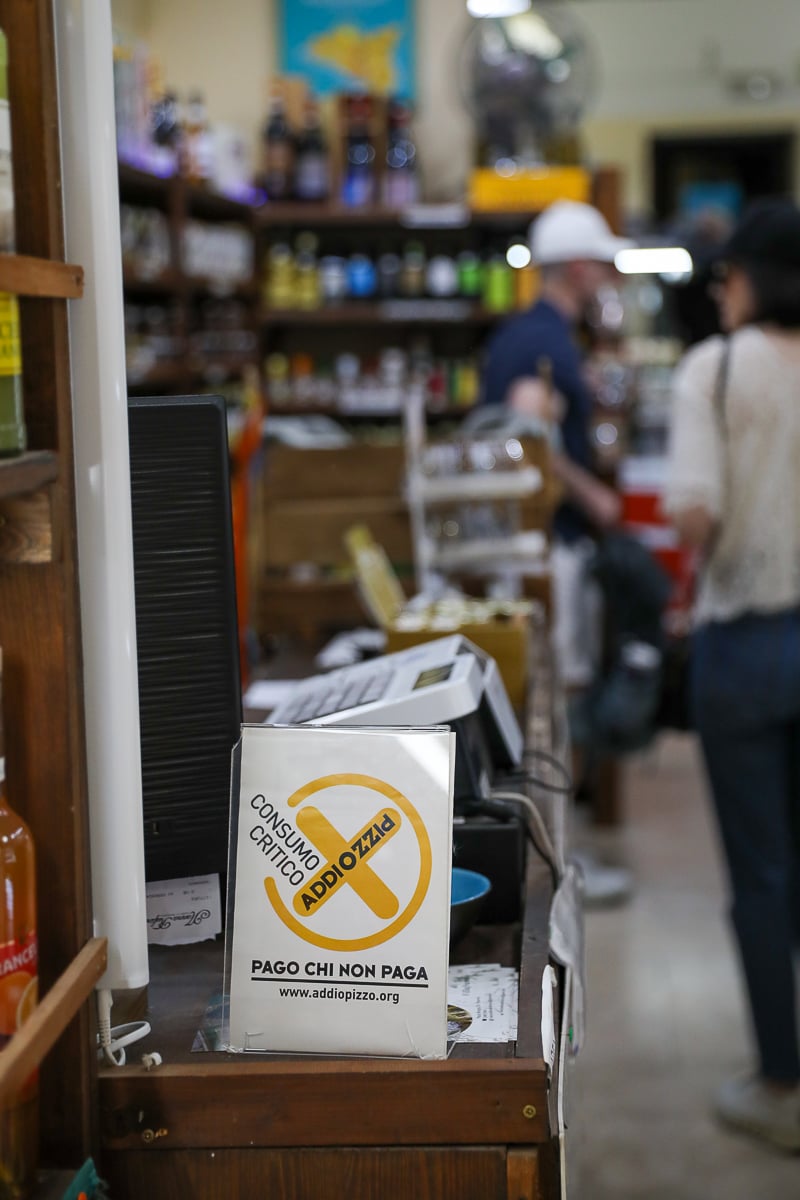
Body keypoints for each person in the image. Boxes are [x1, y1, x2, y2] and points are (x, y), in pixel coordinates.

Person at [663, 197, 800, 1152]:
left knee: (762, 871)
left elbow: (694, 512)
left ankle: (782, 1081)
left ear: (749, 278)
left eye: (727, 276)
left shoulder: (713, 371)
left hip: (744, 647)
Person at [480, 200, 635, 905]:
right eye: (601, 262)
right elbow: (527, 436)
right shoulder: (539, 339)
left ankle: (551, 857)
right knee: (551, 705)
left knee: (547, 703)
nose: (608, 274)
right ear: (576, 267)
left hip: (538, 546)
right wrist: (593, 495)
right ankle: (552, 863)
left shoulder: (540, 334)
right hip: (545, 550)